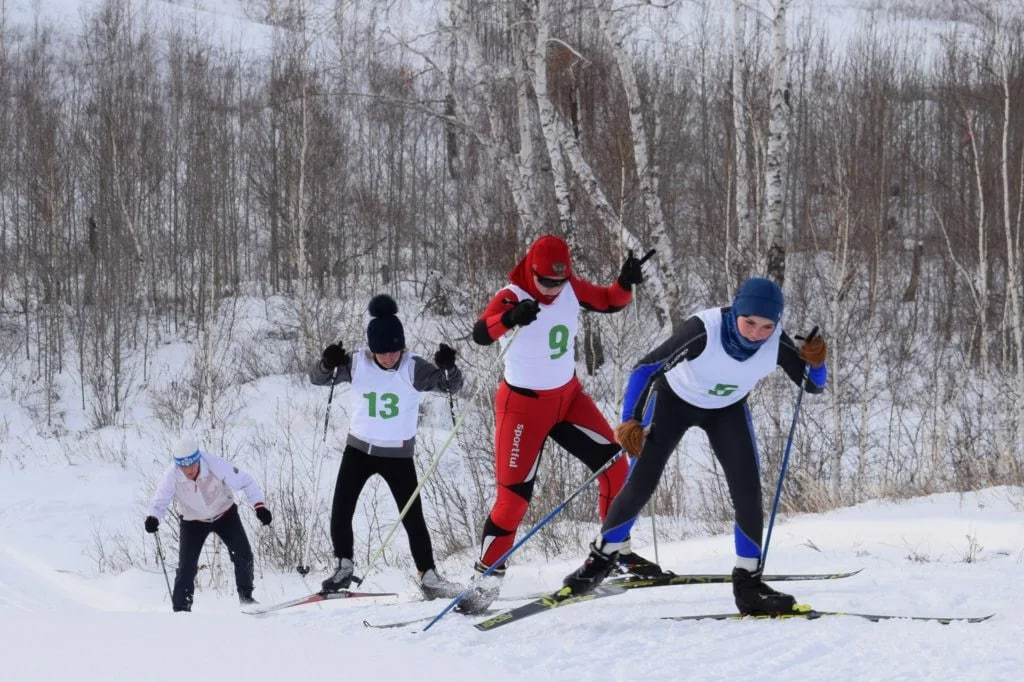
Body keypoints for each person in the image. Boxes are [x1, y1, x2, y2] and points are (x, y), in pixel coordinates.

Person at [561, 276, 829, 616]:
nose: (756, 334)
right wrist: (631, 421)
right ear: (736, 312)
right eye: (749, 322)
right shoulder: (704, 330)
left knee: (747, 490)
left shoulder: (776, 343)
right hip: (673, 402)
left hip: (727, 411)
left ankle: (748, 585)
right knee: (641, 482)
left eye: (767, 326)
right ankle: (599, 562)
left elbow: (812, 386)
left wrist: (817, 362)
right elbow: (645, 368)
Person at [458, 234, 660, 614]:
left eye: (559, 281)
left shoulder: (569, 288)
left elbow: (609, 301)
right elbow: (481, 333)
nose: (552, 289)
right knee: (513, 502)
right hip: (523, 408)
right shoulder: (512, 295)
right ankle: (486, 580)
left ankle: (615, 553)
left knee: (616, 468)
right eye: (545, 281)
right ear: (531, 271)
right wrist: (510, 318)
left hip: (569, 399)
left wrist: (625, 282)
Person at [311, 293, 465, 600]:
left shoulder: (413, 367)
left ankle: (428, 575)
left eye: (394, 351)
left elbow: (451, 386)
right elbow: (318, 379)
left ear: (402, 347)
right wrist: (327, 363)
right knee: (341, 508)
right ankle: (343, 566)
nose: (388, 357)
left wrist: (449, 368)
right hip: (358, 450)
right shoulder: (357, 363)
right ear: (372, 349)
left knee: (412, 516)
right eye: (381, 352)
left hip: (397, 454)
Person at [145, 434, 272, 612]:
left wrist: (260, 506)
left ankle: (247, 599)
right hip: (193, 522)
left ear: (198, 459)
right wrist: (153, 517)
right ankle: (181, 610)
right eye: (183, 466)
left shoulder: (214, 464)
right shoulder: (171, 475)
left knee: (243, 555)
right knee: (186, 568)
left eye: (191, 464)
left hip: (225, 514)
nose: (188, 470)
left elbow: (246, 481)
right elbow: (159, 502)